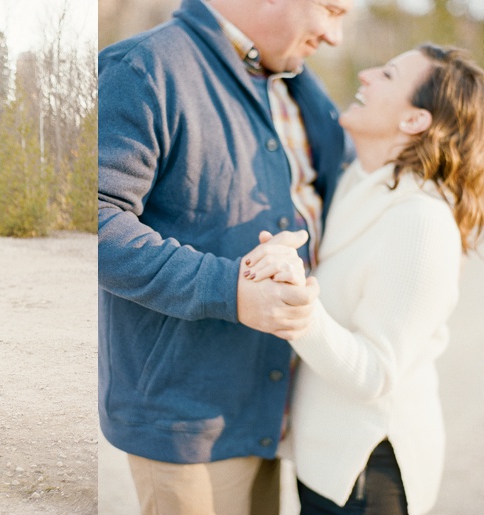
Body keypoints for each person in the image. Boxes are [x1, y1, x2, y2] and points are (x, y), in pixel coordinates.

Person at [98, 0, 355, 512]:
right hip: (186, 418)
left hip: (269, 411)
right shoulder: (144, 69)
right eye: (331, 9)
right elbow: (96, 221)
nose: (335, 36)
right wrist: (229, 289)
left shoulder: (298, 85)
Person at [244, 44, 484, 514]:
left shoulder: (421, 221)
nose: (368, 72)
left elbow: (377, 371)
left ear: (415, 121)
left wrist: (299, 311)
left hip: (367, 474)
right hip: (324, 457)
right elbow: (309, 92)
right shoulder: (361, 179)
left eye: (390, 75)